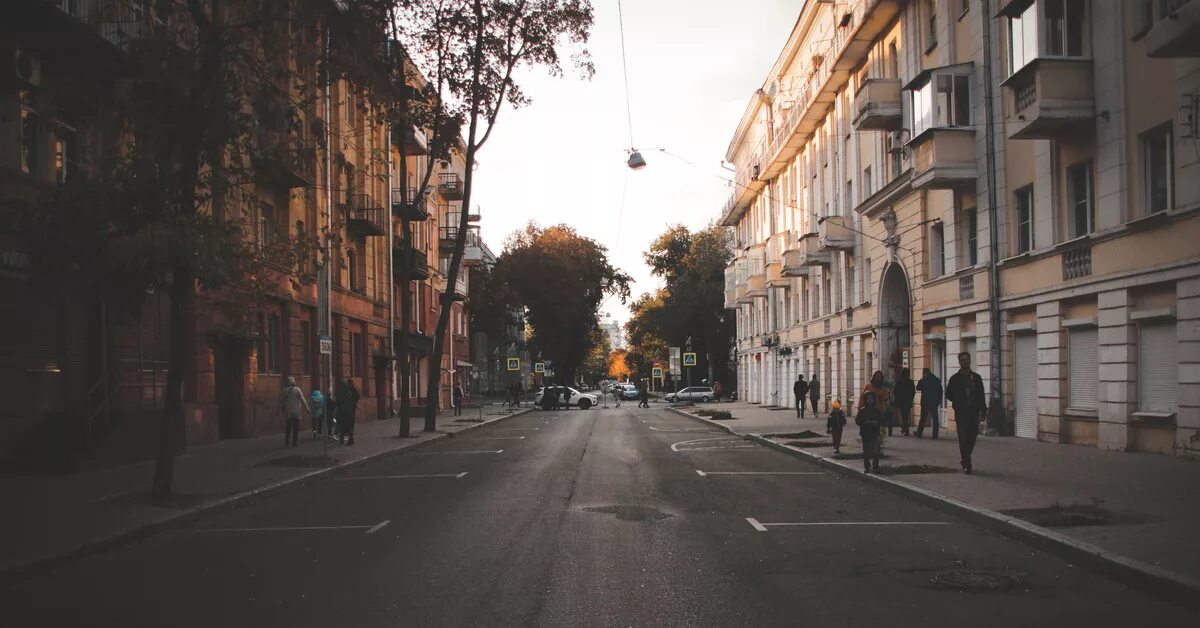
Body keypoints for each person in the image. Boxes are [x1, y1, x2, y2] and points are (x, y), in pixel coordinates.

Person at [945, 352, 986, 474]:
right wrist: (958, 401)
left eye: (967, 359)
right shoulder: (954, 379)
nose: (965, 362)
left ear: (970, 361)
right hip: (961, 413)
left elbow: (981, 395)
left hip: (973, 412)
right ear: (959, 362)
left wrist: (983, 409)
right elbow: (948, 394)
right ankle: (967, 463)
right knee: (963, 438)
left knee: (972, 437)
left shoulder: (976, 378)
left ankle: (965, 458)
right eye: (962, 360)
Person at [277, 376, 309, 448]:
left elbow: (280, 401)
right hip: (296, 411)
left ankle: (287, 441)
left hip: (288, 411)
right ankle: (295, 443)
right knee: (295, 427)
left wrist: (277, 410)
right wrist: (307, 408)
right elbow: (303, 399)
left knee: (288, 427)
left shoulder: (284, 390)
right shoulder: (297, 389)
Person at [856, 391, 883, 473]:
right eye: (868, 399)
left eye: (871, 399)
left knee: (876, 451)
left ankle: (875, 466)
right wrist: (865, 422)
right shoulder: (862, 411)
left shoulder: (877, 411)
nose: (870, 400)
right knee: (866, 451)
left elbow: (881, 420)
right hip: (866, 433)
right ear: (865, 400)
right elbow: (858, 421)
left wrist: (876, 423)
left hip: (875, 433)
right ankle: (867, 466)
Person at [915, 368, 943, 439]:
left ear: (924, 373)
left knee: (923, 418)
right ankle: (935, 435)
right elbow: (941, 391)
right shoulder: (937, 380)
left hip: (925, 402)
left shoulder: (923, 381)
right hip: (934, 402)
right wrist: (939, 400)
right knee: (935, 418)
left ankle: (919, 433)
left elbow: (917, 388)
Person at [337, 378, 360, 446]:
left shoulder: (344, 392)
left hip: (344, 411)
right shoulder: (349, 391)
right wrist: (355, 402)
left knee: (343, 425)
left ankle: (344, 439)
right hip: (350, 409)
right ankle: (349, 439)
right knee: (349, 425)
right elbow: (357, 397)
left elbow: (340, 401)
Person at [894, 368, 916, 436]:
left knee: (904, 416)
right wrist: (910, 399)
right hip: (908, 401)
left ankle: (905, 430)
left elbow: (895, 391)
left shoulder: (899, 382)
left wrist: (897, 399)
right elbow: (913, 392)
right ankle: (905, 430)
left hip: (901, 401)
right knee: (906, 416)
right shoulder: (911, 382)